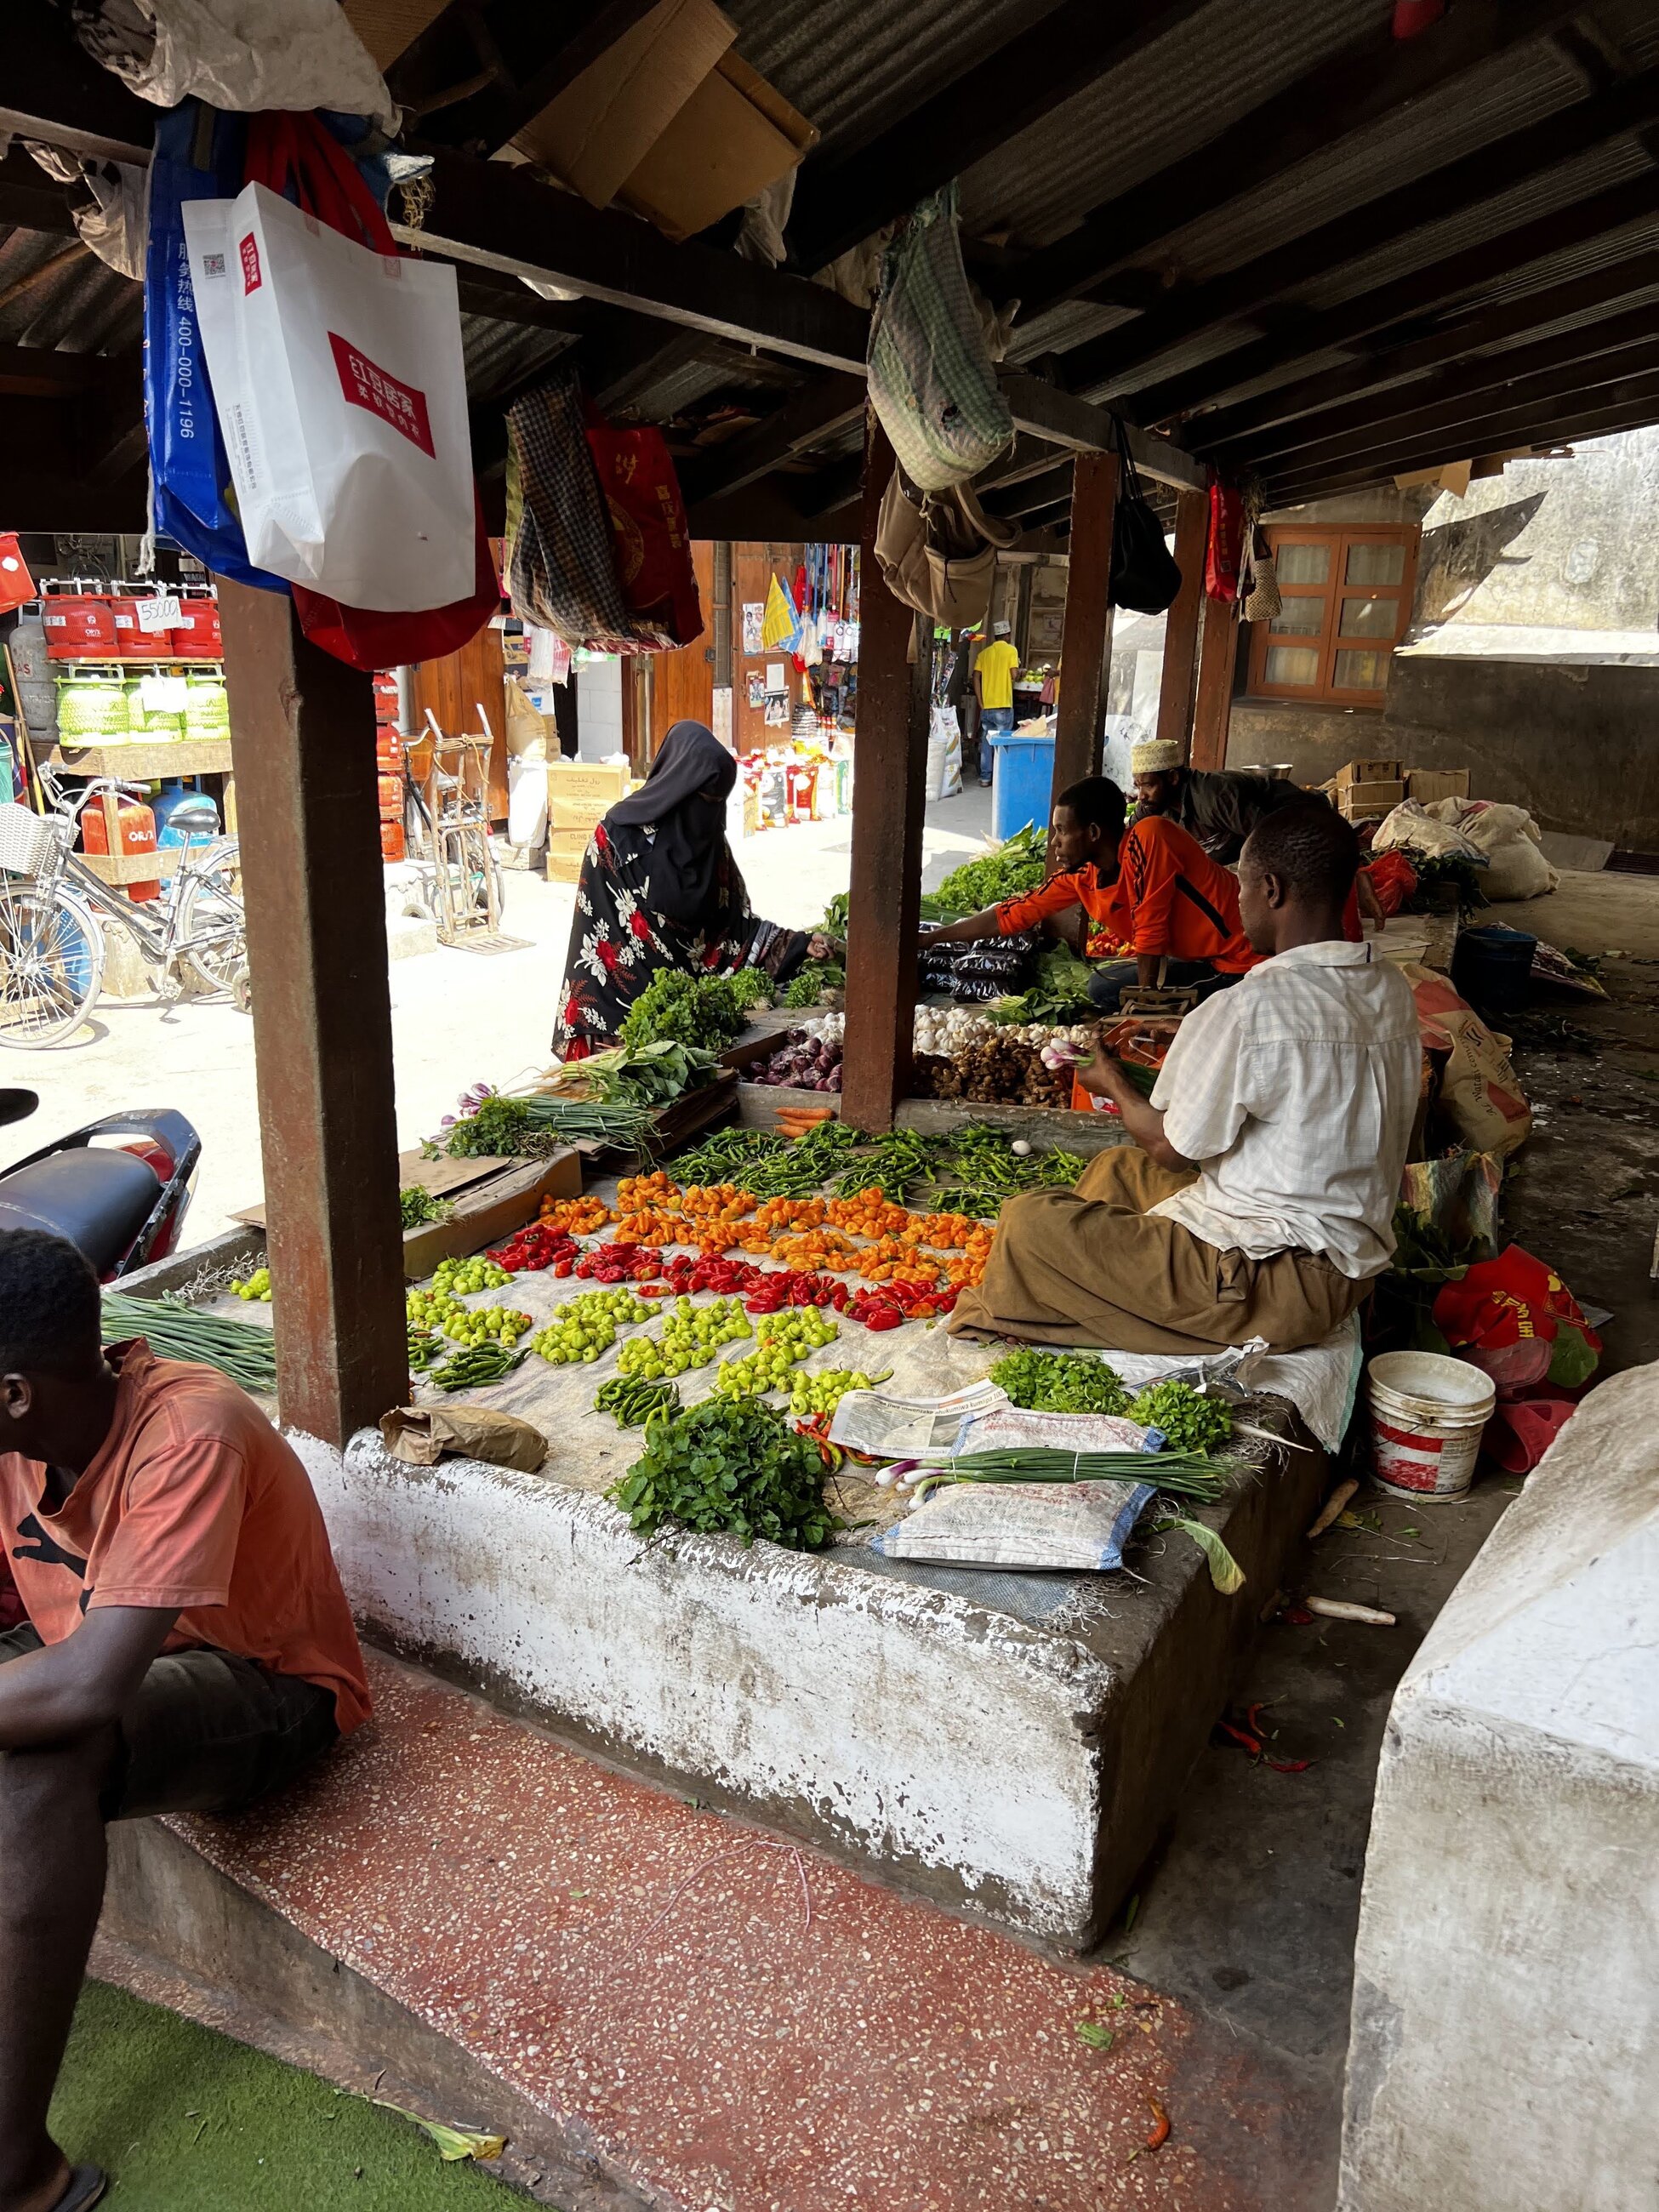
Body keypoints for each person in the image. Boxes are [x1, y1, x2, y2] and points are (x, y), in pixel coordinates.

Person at [0, 1229, 371, 2212]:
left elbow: (88, 1689)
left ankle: (16, 2173)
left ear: (14, 1392)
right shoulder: (21, 1440)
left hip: (267, 1685)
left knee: (40, 1757)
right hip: (115, 1663)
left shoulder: (187, 1432)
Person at [949, 801, 1421, 1355]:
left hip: (1269, 1283)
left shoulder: (1253, 1008)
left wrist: (1110, 1082)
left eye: (1240, 886)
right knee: (1116, 1171)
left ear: (1271, 889)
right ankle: (1079, 1288)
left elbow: (1171, 1146)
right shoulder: (1389, 987)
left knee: (1027, 1221)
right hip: (1342, 1267)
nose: (1237, 900)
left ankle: (1063, 1300)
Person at [551, 720, 819, 1058]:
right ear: (679, 787)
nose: (709, 815)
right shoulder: (616, 843)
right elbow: (595, 943)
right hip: (618, 1029)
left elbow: (732, 927)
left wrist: (797, 944)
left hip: (693, 1029)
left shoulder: (710, 844)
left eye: (717, 802)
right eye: (704, 800)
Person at [921, 776, 1259, 1015]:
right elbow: (1012, 913)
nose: (1055, 843)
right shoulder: (1083, 875)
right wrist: (932, 938)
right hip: (1198, 958)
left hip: (1240, 959)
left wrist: (1144, 1009)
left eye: (1063, 831)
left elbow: (1150, 927)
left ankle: (1206, 1007)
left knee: (1119, 994)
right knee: (1102, 985)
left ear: (1094, 833)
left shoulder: (1150, 837)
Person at [1130, 737, 1304, 864]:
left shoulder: (1214, 797)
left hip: (1298, 822)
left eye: (1148, 786)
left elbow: (1270, 838)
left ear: (1173, 778)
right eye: (1138, 787)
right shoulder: (1153, 802)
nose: (1141, 795)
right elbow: (1129, 835)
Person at [972, 621, 1020, 789]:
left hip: (987, 706)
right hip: (1003, 706)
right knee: (1003, 743)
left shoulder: (984, 654)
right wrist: (1022, 672)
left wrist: (980, 701)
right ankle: (1001, 778)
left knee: (987, 741)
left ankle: (985, 778)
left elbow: (975, 676)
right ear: (1007, 636)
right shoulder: (1011, 651)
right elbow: (1014, 675)